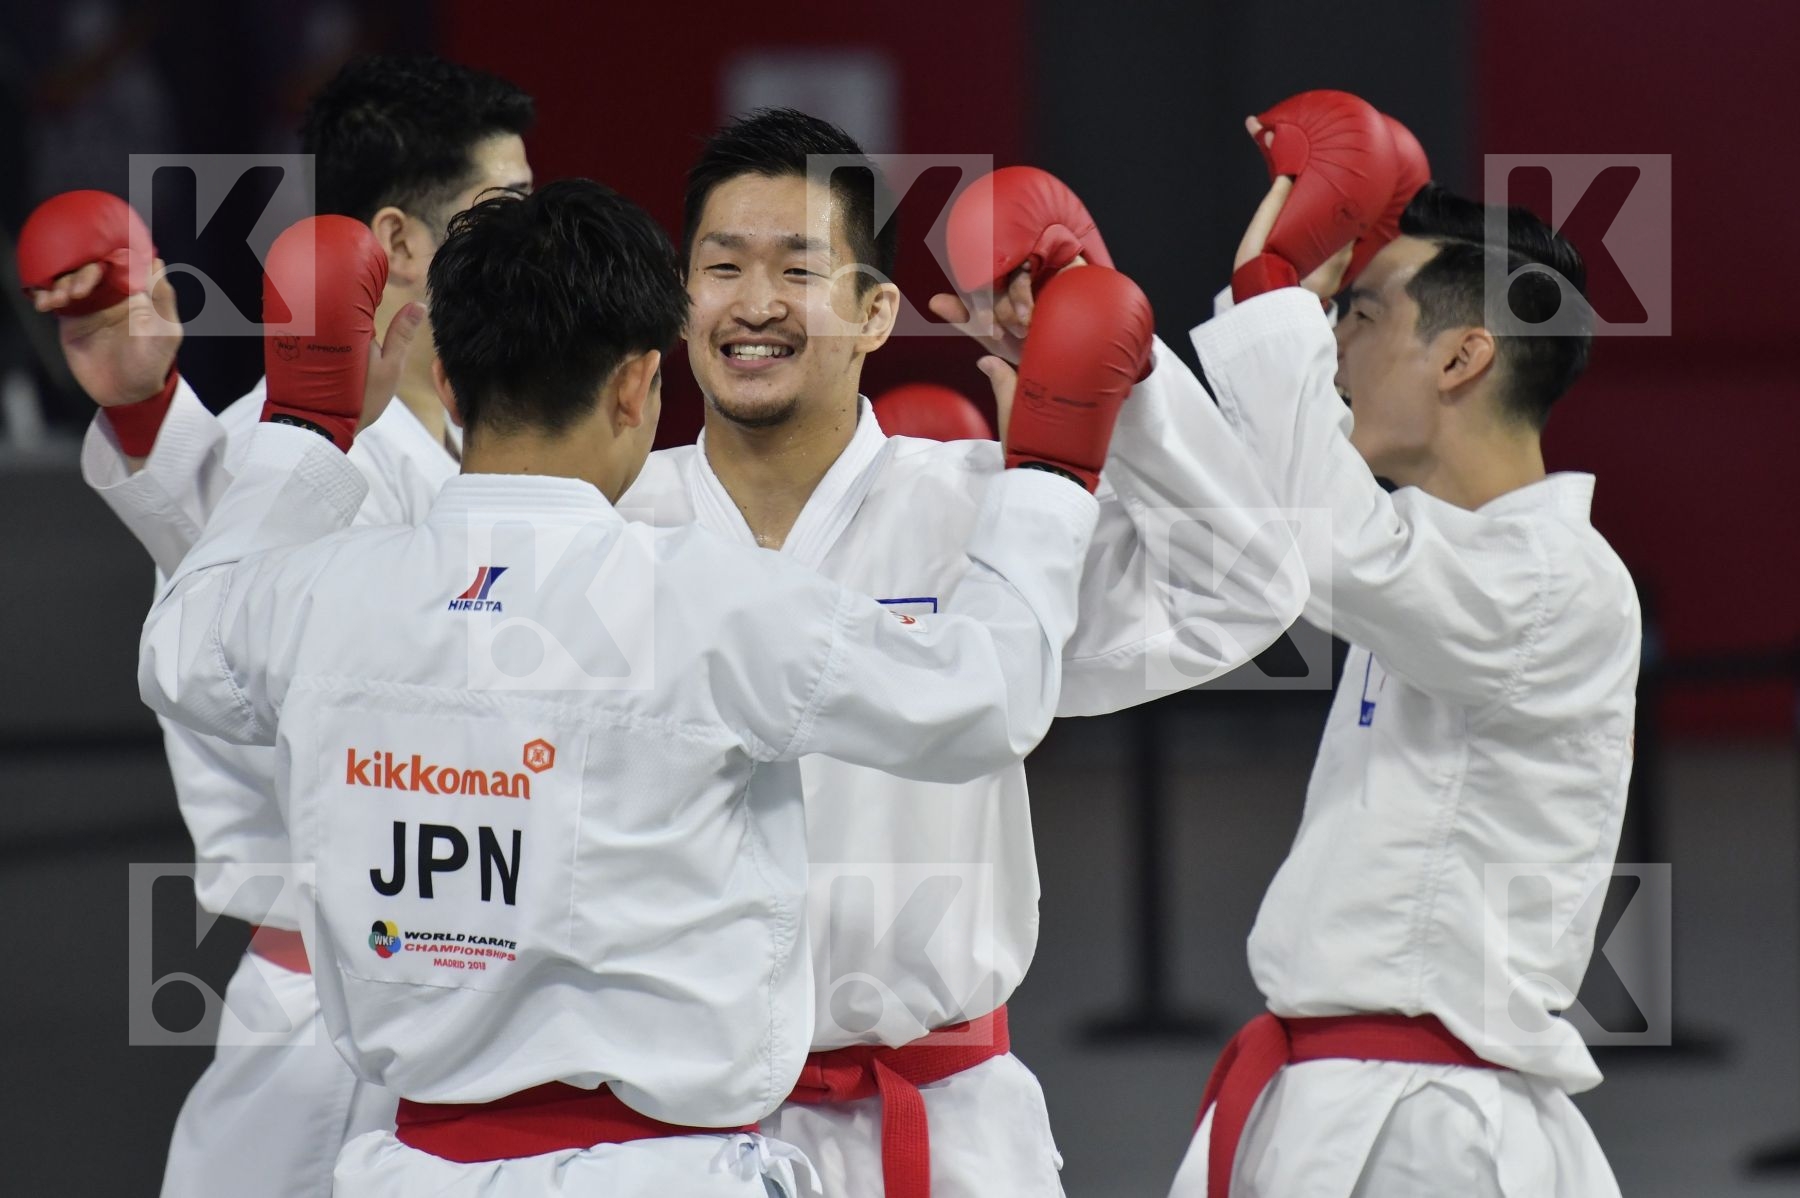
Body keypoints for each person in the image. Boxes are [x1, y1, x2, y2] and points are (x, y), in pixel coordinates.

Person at [138, 179, 1128, 1196]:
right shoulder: (708, 598)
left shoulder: (330, 594)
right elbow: (986, 698)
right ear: (635, 387)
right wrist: (1050, 477)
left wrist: (305, 424)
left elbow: (180, 650)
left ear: (445, 371)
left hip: (414, 1168)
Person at [619, 110, 1308, 1198]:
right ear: (680, 303)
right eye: (721, 268)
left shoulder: (986, 509)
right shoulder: (614, 527)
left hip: (940, 1130)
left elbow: (1249, 586)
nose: (754, 304)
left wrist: (1110, 382)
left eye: (798, 268)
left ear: (876, 311)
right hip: (666, 1128)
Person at [18, 52, 532, 1198]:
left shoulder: (486, 448)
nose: (536, 248)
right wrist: (148, 413)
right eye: (508, 216)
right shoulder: (274, 449)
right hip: (330, 1032)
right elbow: (220, 613)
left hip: (479, 1019)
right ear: (399, 243)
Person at [1163, 156, 1640, 1197]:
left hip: (1431, 1132)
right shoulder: (1431, 564)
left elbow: (1328, 541)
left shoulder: (1557, 580)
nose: (1332, 345)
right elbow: (1263, 509)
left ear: (1464, 356)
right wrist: (1098, 359)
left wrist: (1270, 293)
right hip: (1343, 1100)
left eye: (1360, 314)